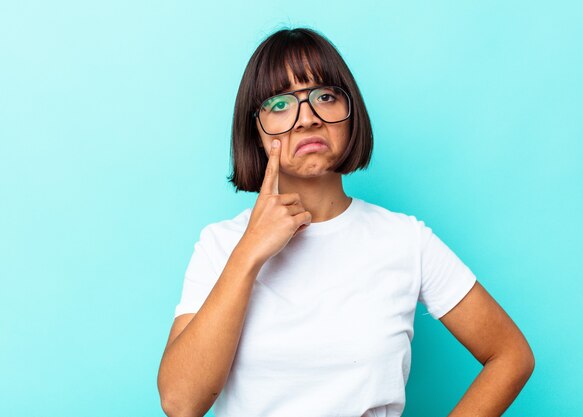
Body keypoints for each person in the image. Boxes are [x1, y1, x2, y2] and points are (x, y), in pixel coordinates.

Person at [157, 27, 535, 417]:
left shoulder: (405, 240)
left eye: (324, 96)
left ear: (350, 113)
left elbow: (510, 354)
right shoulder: (220, 244)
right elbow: (181, 403)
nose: (307, 119)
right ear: (254, 129)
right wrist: (248, 253)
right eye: (280, 104)